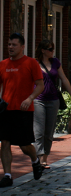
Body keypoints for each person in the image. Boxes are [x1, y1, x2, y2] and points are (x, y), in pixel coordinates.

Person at [0, 33, 45, 187]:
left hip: (24, 110)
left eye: (14, 45)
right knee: (4, 142)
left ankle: (35, 160)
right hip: (5, 110)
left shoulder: (30, 63)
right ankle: (7, 175)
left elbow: (40, 85)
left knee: (24, 145)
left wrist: (29, 98)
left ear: (22, 47)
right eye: (9, 44)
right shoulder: (3, 64)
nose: (10, 47)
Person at [33, 40, 71, 169]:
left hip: (53, 100)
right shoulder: (35, 64)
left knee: (49, 131)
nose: (52, 51)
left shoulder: (55, 62)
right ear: (43, 50)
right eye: (50, 49)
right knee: (39, 131)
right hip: (38, 100)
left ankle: (45, 158)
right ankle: (39, 158)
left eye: (53, 49)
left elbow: (64, 79)